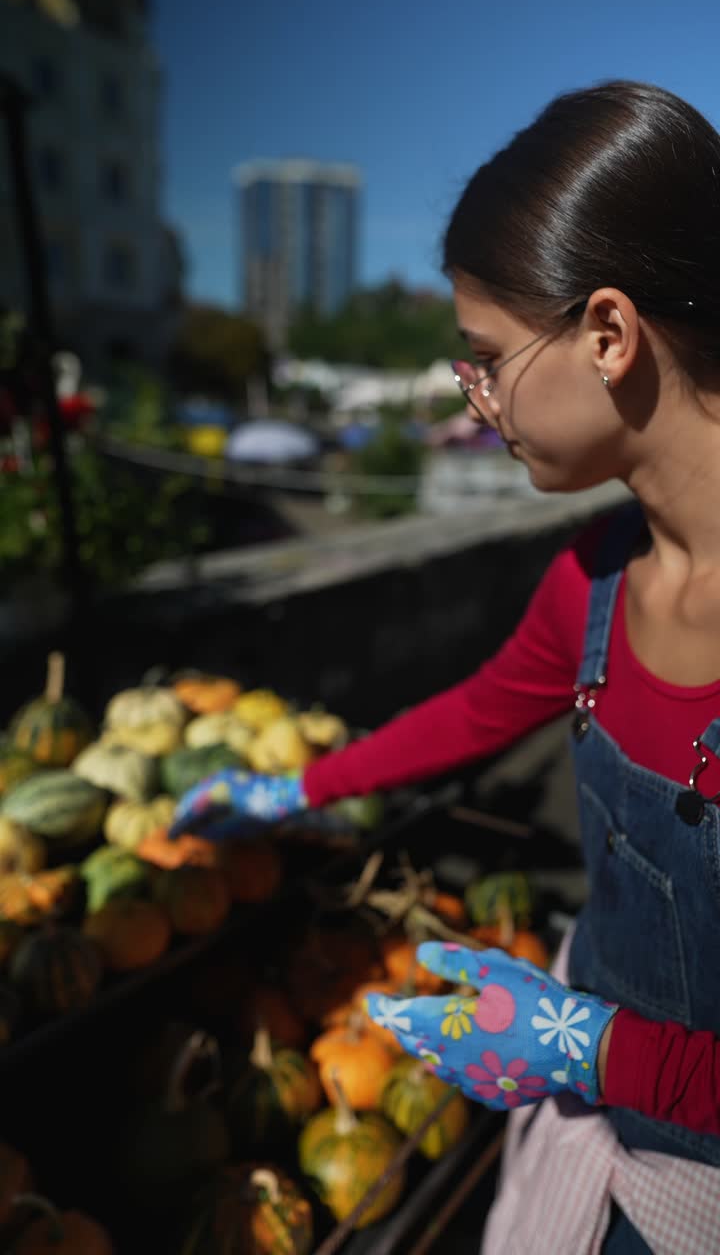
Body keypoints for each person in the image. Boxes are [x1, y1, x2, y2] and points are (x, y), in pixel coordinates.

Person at [170, 80, 720, 1252]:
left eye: (485, 357)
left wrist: (590, 1044)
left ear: (609, 335)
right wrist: (291, 790)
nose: (477, 398)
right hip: (606, 1150)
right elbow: (478, 710)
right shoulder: (597, 577)